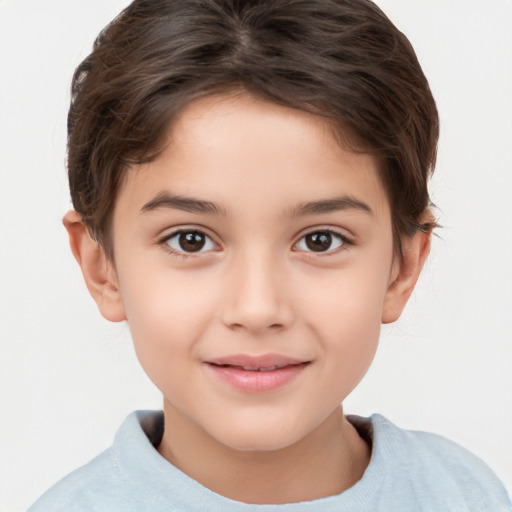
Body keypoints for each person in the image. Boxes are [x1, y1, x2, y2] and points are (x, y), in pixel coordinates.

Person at [27, 0, 511, 510]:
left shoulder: (469, 496)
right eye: (190, 239)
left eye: (320, 240)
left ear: (402, 268)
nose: (257, 309)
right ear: (102, 268)